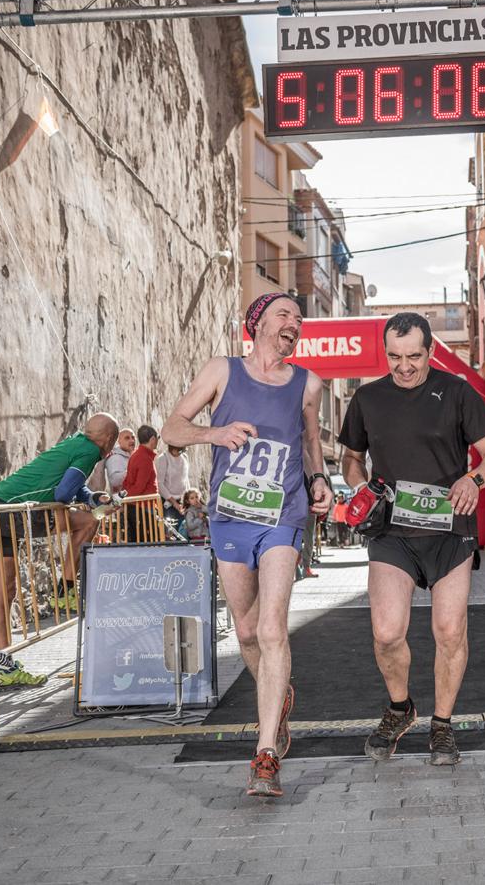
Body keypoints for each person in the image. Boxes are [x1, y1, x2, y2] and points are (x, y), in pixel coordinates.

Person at [162, 292, 331, 798]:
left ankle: (265, 753)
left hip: (283, 515)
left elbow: (311, 443)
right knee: (248, 629)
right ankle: (276, 697)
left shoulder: (308, 383)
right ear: (256, 323)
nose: (293, 325)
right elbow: (173, 428)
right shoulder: (222, 370)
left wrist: (319, 479)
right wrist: (217, 433)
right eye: (284, 316)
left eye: (298, 320)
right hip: (230, 517)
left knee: (273, 626)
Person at [338, 312, 485, 767]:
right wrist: (358, 485)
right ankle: (400, 708)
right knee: (387, 632)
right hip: (392, 530)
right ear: (385, 353)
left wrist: (473, 479)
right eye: (395, 356)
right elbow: (351, 457)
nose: (404, 366)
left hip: (450, 529)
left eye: (413, 356)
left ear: (430, 351)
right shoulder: (368, 398)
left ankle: (443, 726)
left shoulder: (456, 393)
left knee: (449, 631)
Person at [0, 413, 120, 685]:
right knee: (91, 520)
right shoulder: (90, 450)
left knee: (3, 592)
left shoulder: (76, 442)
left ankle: (5, 669)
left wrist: (91, 496)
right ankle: (64, 589)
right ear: (108, 439)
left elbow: (70, 485)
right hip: (15, 512)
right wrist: (93, 505)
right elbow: (62, 494)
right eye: (112, 440)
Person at [122, 425, 160, 541]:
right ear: (153, 439)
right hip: (143, 509)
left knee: (138, 541)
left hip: (137, 507)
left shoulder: (136, 455)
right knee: (150, 543)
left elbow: (127, 482)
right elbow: (139, 487)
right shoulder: (144, 458)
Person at [156, 442, 191, 532]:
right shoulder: (163, 459)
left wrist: (188, 499)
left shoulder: (185, 457)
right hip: (168, 503)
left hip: (183, 502)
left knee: (184, 531)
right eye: (178, 451)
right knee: (171, 532)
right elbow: (160, 484)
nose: (180, 453)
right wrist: (174, 503)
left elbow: (186, 479)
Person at [105, 428, 135, 493]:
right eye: (127, 438)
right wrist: (134, 471)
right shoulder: (115, 457)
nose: (132, 440)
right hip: (124, 501)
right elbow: (114, 480)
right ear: (119, 441)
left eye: (133, 437)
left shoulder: (133, 455)